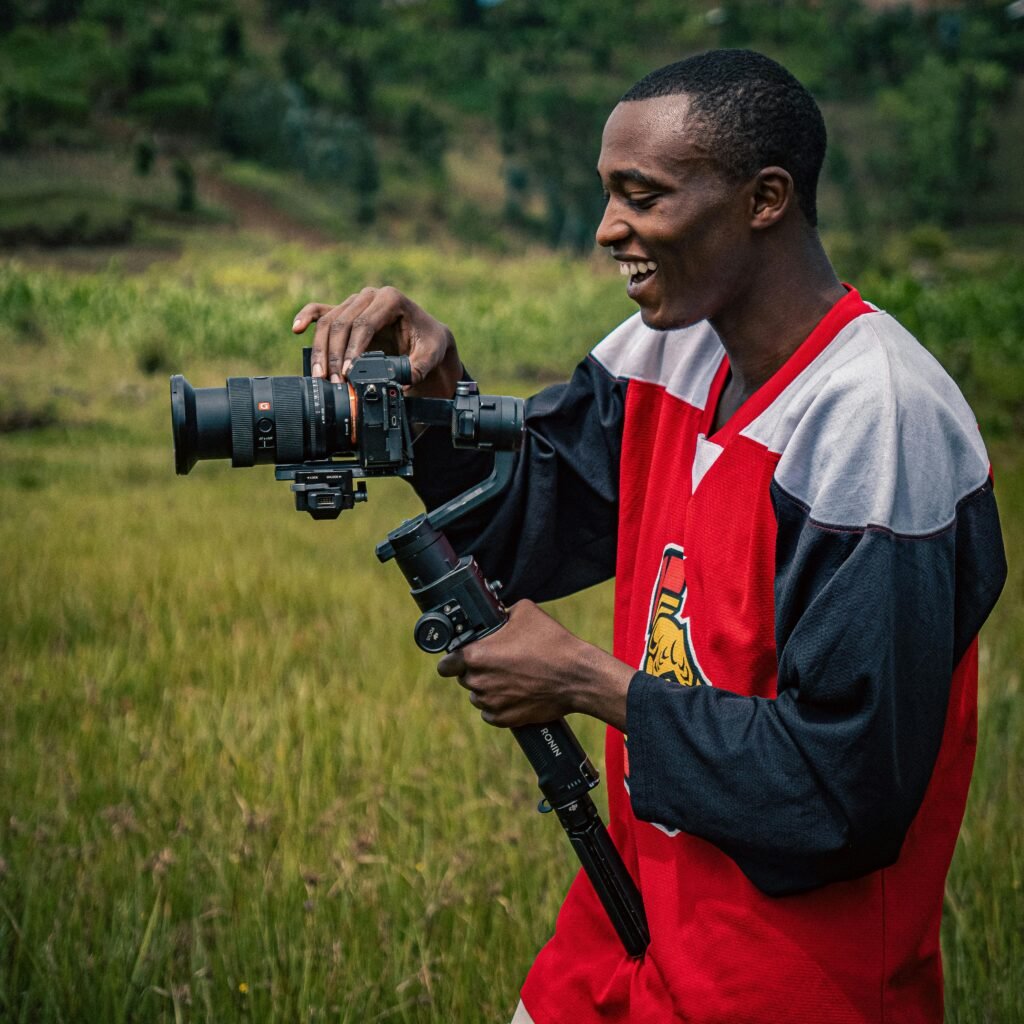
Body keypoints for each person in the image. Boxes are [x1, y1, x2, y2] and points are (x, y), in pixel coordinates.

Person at [292, 50, 1006, 1024]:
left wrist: (588, 683)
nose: (607, 229)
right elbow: (529, 520)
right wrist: (437, 397)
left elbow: (845, 789)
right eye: (607, 193)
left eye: (643, 196)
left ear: (764, 198)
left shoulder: (875, 419)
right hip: (628, 924)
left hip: (788, 978)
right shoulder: (665, 351)